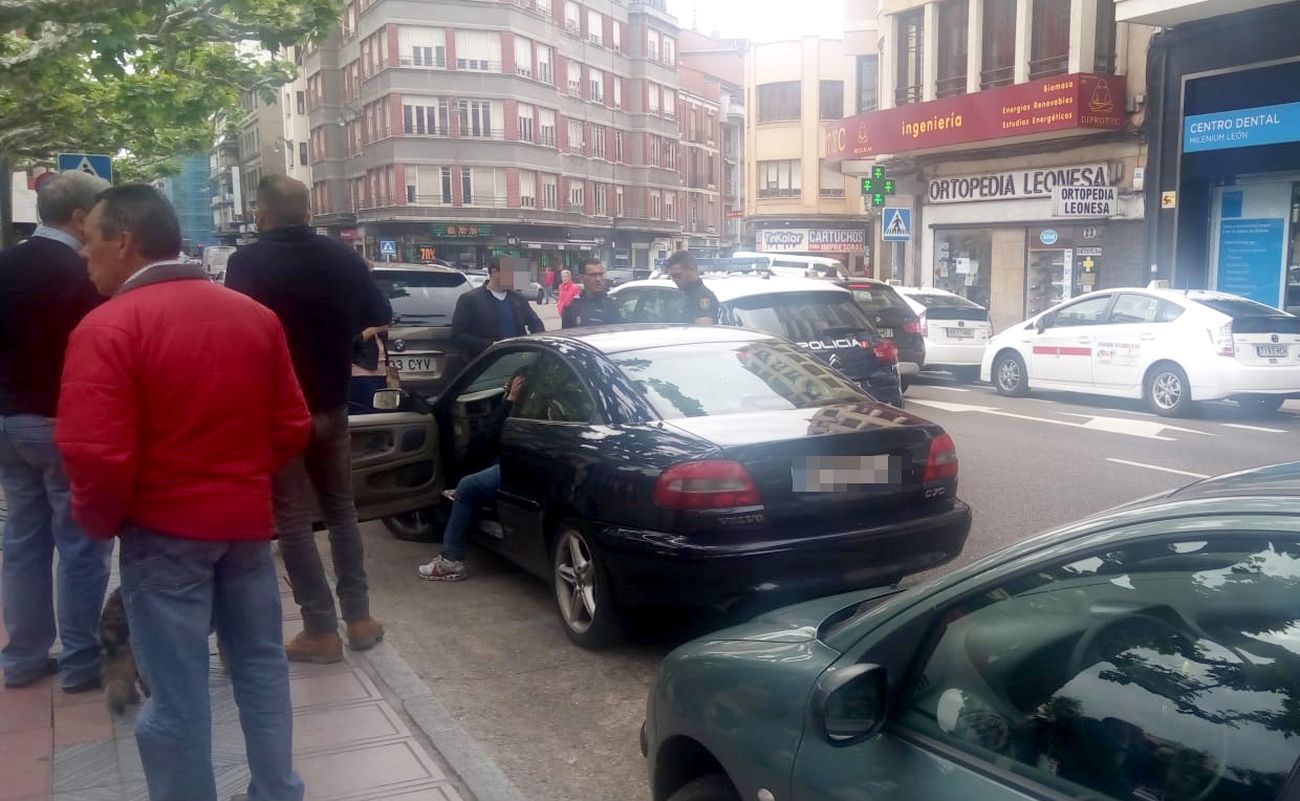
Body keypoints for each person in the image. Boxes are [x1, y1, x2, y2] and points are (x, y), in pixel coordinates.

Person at [55, 184, 311, 801]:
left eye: (89, 241)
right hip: (245, 527)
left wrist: (106, 520)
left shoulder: (107, 327)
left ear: (124, 241)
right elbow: (291, 425)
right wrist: (239, 478)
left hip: (163, 532)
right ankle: (278, 790)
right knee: (259, 667)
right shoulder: (253, 316)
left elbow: (95, 452)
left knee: (177, 691)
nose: (84, 256)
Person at [225, 176, 389, 664]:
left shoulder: (246, 264)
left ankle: (320, 629)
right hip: (332, 403)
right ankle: (359, 619)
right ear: (308, 212)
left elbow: (237, 333)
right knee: (341, 510)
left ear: (261, 214)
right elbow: (378, 313)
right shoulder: (343, 258)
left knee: (293, 519)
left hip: (278, 410)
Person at [0, 172, 114, 691]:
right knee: (80, 544)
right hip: (61, 425)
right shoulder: (82, 274)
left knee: (22, 540)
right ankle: (80, 662)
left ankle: (22, 658)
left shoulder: (7, 263)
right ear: (78, 218)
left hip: (8, 423)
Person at [418, 369, 527, 581]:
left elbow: (489, 436)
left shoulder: (528, 406)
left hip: (523, 464)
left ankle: (450, 561)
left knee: (468, 485)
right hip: (522, 459)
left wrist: (509, 401)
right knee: (485, 467)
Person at [450, 256, 544, 357]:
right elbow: (458, 336)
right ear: (494, 272)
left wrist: (532, 349)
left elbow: (537, 325)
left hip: (518, 362)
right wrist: (490, 345)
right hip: (487, 362)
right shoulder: (470, 299)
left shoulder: (519, 299)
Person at [349, 260, 395, 415]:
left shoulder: (373, 296)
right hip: (359, 370)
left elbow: (385, 317)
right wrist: (375, 328)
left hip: (379, 368)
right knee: (367, 415)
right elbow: (346, 342)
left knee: (382, 416)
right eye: (367, 273)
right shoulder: (345, 298)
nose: (370, 277)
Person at [562, 256, 624, 329]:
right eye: (592, 275)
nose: (598, 279)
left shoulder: (613, 305)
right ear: (581, 277)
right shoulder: (572, 308)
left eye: (600, 274)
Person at [666, 250, 720, 325]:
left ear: (691, 269)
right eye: (672, 276)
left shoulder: (703, 297)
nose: (674, 280)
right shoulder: (687, 294)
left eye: (678, 275)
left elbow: (702, 332)